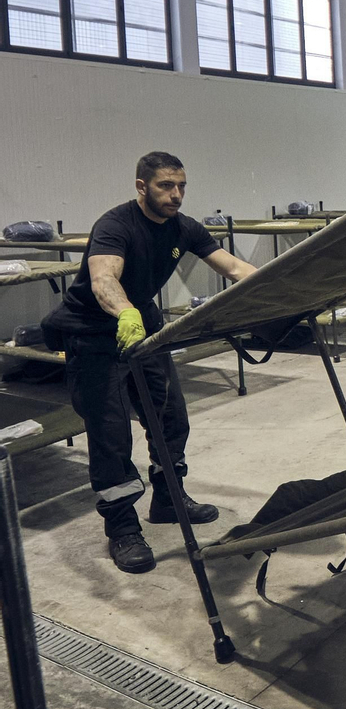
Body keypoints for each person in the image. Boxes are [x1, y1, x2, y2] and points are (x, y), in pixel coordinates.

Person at [42, 151, 257, 574]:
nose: (176, 195)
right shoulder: (116, 225)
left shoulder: (184, 227)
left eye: (181, 186)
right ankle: (122, 527)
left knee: (171, 416)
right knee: (110, 435)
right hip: (94, 333)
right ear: (142, 186)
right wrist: (125, 313)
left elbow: (233, 266)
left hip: (145, 326)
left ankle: (168, 500)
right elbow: (104, 277)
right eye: (166, 186)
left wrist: (282, 286)